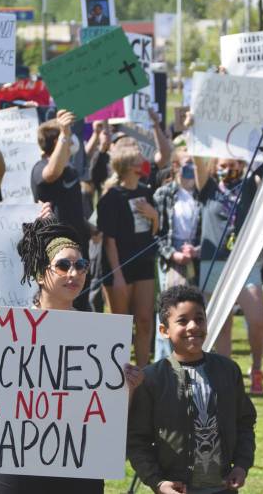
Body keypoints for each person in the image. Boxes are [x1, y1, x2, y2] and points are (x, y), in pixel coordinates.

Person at [0, 215, 143, 493]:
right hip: (17, 468)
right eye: (63, 265)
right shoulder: (5, 331)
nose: (74, 274)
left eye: (81, 265)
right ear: (39, 273)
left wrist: (127, 389)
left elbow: (105, 417)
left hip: (79, 466)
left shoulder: (97, 336)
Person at [128, 285, 256, 494]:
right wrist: (157, 482)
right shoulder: (152, 379)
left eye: (199, 318)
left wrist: (241, 465)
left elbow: (245, 422)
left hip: (223, 487)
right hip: (178, 488)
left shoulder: (228, 370)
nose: (193, 326)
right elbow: (137, 439)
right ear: (164, 330)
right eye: (182, 321)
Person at [194, 156, 263, 393]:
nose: (228, 169)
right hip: (214, 262)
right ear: (215, 166)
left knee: (257, 319)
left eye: (234, 164)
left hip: (245, 261)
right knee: (221, 325)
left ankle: (256, 369)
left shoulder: (249, 184)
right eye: (223, 165)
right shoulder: (209, 188)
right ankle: (225, 378)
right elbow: (197, 161)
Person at [98, 144, 159, 365]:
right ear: (129, 167)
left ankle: (144, 374)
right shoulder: (111, 197)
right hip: (118, 267)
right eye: (139, 160)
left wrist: (154, 216)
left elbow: (154, 232)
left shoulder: (145, 192)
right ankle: (118, 374)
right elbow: (109, 241)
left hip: (143, 264)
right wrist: (118, 276)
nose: (144, 163)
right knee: (121, 326)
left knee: (144, 321)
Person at [30, 111, 92, 293]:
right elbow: (51, 174)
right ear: (57, 143)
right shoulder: (40, 167)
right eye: (67, 135)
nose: (72, 139)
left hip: (78, 250)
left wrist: (87, 226)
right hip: (56, 254)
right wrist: (64, 134)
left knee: (80, 302)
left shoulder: (70, 169)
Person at [152, 149, 201, 361]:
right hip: (172, 260)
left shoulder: (202, 193)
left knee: (195, 309)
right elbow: (156, 233)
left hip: (197, 258)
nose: (191, 167)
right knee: (170, 310)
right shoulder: (163, 194)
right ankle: (165, 359)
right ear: (175, 166)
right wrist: (172, 254)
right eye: (186, 163)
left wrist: (196, 250)